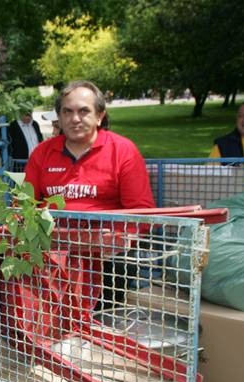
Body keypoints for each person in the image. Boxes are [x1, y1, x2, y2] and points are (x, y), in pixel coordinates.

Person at [24, 80, 155, 308]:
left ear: (100, 116)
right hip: (54, 251)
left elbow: (141, 214)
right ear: (59, 117)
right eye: (67, 111)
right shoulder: (42, 153)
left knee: (99, 320)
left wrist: (113, 243)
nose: (75, 119)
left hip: (106, 255)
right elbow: (26, 205)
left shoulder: (122, 150)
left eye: (84, 111)